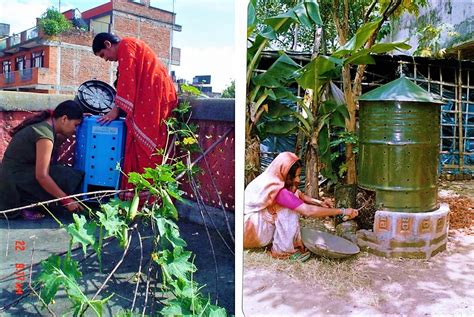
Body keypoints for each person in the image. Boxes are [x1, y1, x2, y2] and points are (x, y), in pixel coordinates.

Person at [91, 33, 178, 192]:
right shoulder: (131, 46)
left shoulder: (126, 45)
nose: (106, 59)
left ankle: (150, 199)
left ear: (108, 44)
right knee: (145, 148)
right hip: (155, 100)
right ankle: (146, 199)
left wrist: (115, 111)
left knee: (150, 151)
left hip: (154, 102)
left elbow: (127, 81)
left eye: (103, 55)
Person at [244, 152, 358, 259]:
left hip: (251, 228)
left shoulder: (272, 178)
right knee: (289, 209)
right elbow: (307, 211)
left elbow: (298, 195)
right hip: (249, 232)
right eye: (296, 176)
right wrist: (342, 211)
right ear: (286, 174)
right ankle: (282, 251)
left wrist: (319, 202)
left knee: (290, 204)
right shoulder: (277, 190)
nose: (298, 179)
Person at [0, 100, 85, 220]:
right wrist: (67, 201)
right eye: (76, 125)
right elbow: (42, 176)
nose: (76, 130)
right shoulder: (45, 135)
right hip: (11, 185)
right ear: (64, 119)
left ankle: (27, 204)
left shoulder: (46, 126)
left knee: (62, 171)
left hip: (15, 176)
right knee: (64, 176)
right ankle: (23, 205)